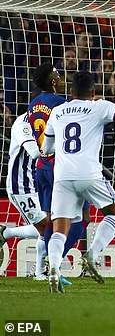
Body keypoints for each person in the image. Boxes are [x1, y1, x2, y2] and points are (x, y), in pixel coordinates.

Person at [41, 71, 115, 292]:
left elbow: (46, 148)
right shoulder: (99, 106)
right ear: (93, 92)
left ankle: (53, 267)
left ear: (71, 91)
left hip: (62, 177)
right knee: (113, 213)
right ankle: (92, 254)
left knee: (59, 228)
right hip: (89, 174)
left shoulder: (57, 112)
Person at [28, 64, 89, 281]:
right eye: (57, 74)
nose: (61, 77)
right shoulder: (61, 104)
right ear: (53, 81)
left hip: (42, 166)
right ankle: (53, 261)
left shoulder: (33, 104)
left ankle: (45, 266)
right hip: (60, 167)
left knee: (50, 218)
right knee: (82, 217)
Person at [0, 113, 47, 276]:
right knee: (47, 227)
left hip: (39, 183)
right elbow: (34, 152)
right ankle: (40, 273)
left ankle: (6, 233)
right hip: (21, 187)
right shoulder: (23, 123)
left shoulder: (49, 121)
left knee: (54, 226)